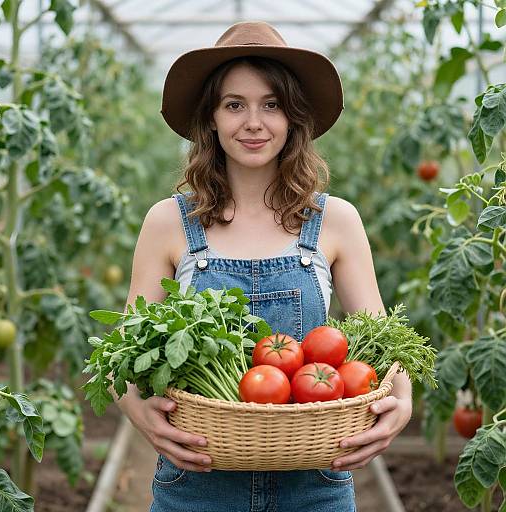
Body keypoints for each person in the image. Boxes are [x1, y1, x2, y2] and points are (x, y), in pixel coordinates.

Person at [114, 20, 412, 512]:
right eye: (235, 105)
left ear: (293, 117)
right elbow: (122, 357)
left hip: (315, 484)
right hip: (197, 484)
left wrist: (401, 406)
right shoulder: (169, 223)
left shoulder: (334, 220)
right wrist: (137, 411)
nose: (254, 122)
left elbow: (383, 339)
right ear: (210, 118)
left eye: (271, 105)